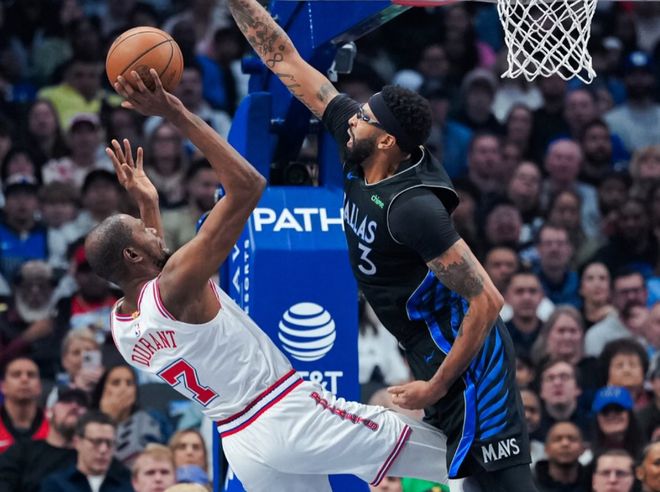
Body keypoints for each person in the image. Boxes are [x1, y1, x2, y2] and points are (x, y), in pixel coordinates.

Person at [86, 71, 449, 491]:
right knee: (454, 453)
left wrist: (147, 203)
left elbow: (157, 271)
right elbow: (248, 185)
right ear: (132, 255)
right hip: (283, 413)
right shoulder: (174, 285)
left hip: (241, 442)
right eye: (143, 231)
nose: (153, 231)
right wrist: (176, 111)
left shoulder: (123, 327)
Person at [227, 2, 535, 491]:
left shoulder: (413, 208)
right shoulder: (358, 141)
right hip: (427, 350)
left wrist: (435, 386)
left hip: (471, 362)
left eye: (365, 117)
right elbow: (283, 57)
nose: (353, 118)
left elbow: (487, 301)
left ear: (387, 141)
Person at [0, 387, 88, 492]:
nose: (75, 406)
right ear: (49, 411)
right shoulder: (20, 452)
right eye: (66, 400)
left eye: (81, 403)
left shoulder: (92, 458)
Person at [39, 411, 132, 492]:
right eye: (96, 442)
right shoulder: (56, 484)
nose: (103, 449)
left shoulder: (128, 485)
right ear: (77, 442)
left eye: (109, 443)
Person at [0, 357, 48, 453]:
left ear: (39, 386)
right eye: (16, 375)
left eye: (31, 375)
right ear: (3, 386)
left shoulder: (56, 424)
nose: (24, 379)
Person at [533, 421, 589, 492]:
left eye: (572, 439)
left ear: (583, 449)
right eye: (557, 439)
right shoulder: (528, 484)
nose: (565, 444)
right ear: (546, 449)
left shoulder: (592, 483)